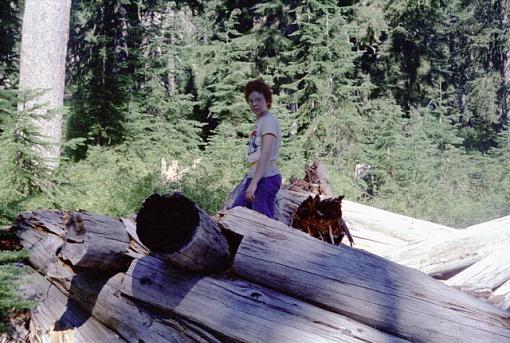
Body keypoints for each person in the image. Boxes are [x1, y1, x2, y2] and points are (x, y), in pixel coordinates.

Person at [230, 80, 282, 219]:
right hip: (256, 177)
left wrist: (254, 184)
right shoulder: (260, 121)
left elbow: (266, 153)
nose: (254, 104)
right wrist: (251, 181)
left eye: (258, 99)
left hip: (266, 178)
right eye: (251, 101)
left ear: (267, 99)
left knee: (262, 225)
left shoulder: (269, 121)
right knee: (236, 215)